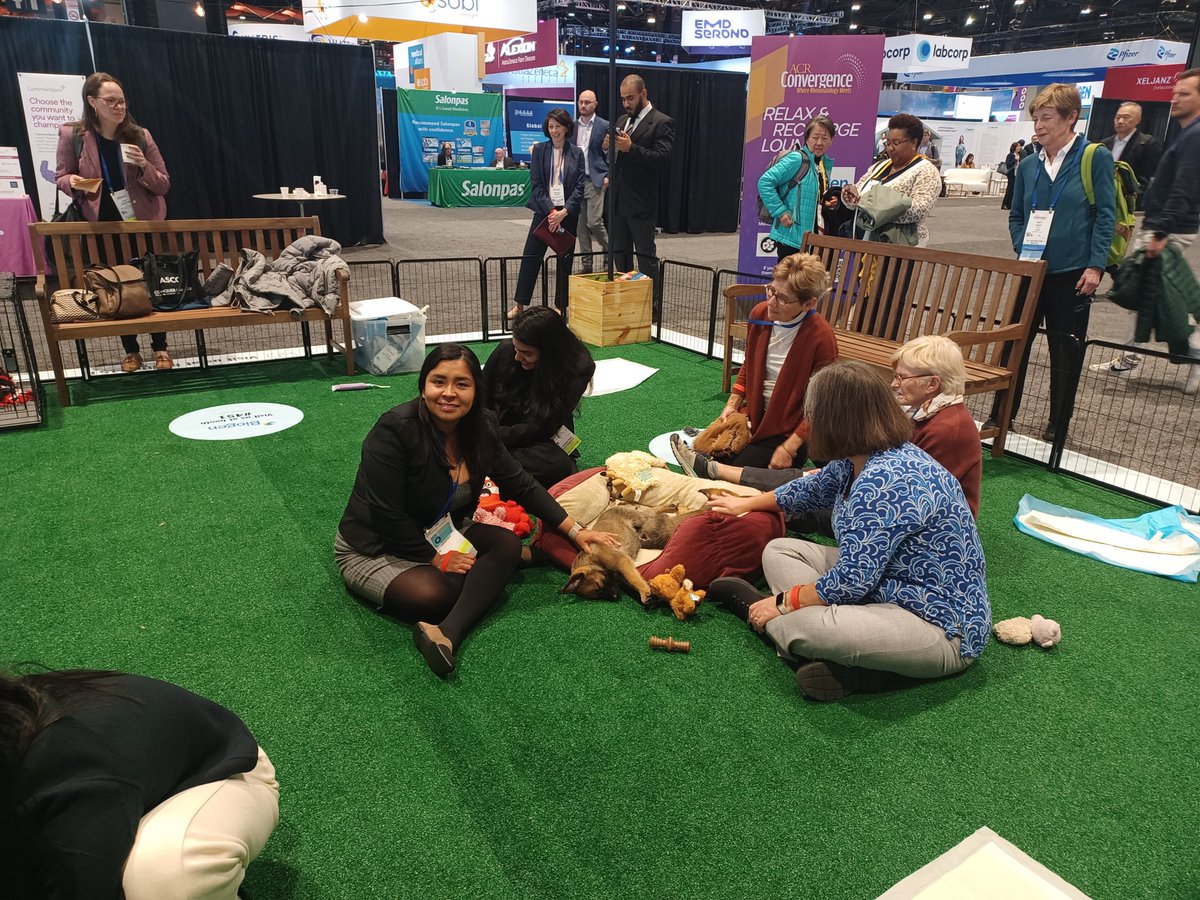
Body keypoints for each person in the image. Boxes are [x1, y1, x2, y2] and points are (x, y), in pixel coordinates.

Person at [705, 360, 990, 702]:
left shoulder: (883, 482)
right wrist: (745, 504)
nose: (808, 424)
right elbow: (808, 490)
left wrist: (782, 603)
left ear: (834, 421)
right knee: (780, 549)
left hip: (939, 627)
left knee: (805, 626)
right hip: (886, 586)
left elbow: (851, 581)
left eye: (812, 415)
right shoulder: (868, 454)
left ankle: (774, 622)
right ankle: (825, 648)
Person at [335, 344, 618, 675]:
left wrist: (576, 531)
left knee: (507, 543)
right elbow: (385, 514)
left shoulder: (481, 427)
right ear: (423, 386)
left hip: (442, 530)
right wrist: (435, 558)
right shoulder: (394, 430)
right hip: (376, 546)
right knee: (437, 595)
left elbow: (520, 483)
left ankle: (446, 632)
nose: (449, 393)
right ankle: (478, 589)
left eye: (462, 384)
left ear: (476, 390)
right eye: (438, 381)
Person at [1, 668, 279, 899]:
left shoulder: (71, 775)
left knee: (166, 872)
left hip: (219, 773)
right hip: (125, 782)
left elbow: (85, 888)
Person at [672, 334, 982, 519]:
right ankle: (721, 477)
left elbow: (917, 499)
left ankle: (725, 482)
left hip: (901, 514)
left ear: (933, 384)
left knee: (813, 494)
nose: (894, 383)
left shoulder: (947, 429)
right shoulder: (923, 412)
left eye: (903, 377)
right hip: (880, 491)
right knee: (815, 477)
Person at [997, 83, 1115, 444]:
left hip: (1073, 274)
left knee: (1066, 350)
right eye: (1036, 118)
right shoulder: (1029, 163)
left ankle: (1057, 424)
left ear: (1070, 118)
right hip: (1031, 271)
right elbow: (1016, 215)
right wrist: (1023, 249)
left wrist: (1096, 265)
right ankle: (1001, 414)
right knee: (1013, 344)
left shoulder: (1094, 157)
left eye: (1046, 117)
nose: (1039, 125)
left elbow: (1105, 215)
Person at [56, 72, 171, 374]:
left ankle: (161, 347)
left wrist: (144, 166)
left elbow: (163, 185)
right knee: (116, 288)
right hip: (102, 227)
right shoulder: (73, 136)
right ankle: (130, 350)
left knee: (149, 283)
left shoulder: (140, 136)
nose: (118, 107)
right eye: (110, 101)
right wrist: (75, 182)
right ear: (92, 102)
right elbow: (61, 177)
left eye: (121, 101)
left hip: (142, 224)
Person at [1094, 70, 1200, 392]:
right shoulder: (1186, 133)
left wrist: (1160, 231)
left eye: (1184, 94)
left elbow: (1184, 188)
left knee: (1164, 299)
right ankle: (1130, 359)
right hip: (1164, 225)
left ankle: (1193, 352)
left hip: (1168, 229)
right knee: (1147, 295)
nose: (1174, 98)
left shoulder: (1195, 136)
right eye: (1175, 92)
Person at [704, 252, 837, 469]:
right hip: (756, 416)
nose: (772, 302)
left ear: (808, 304)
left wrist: (789, 447)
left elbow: (821, 404)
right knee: (714, 459)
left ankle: (800, 455)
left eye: (783, 298)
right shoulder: (759, 314)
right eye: (771, 290)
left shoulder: (821, 336)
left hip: (789, 427)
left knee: (736, 475)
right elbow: (750, 363)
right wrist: (732, 404)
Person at [483, 307, 596, 488]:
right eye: (516, 348)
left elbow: (543, 428)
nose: (518, 357)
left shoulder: (578, 367)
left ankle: (483, 468)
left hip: (537, 436)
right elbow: (481, 396)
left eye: (527, 353)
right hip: (493, 428)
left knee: (558, 464)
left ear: (550, 352)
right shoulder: (506, 350)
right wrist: (481, 431)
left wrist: (491, 439)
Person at [508, 108, 586, 319]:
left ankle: (561, 306)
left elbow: (580, 187)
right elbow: (537, 186)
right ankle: (520, 305)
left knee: (565, 261)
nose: (554, 131)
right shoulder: (539, 151)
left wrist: (564, 212)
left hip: (567, 215)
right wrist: (552, 212)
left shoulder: (577, 153)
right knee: (530, 257)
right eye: (551, 127)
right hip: (544, 212)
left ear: (567, 127)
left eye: (558, 126)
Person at [603, 74, 675, 284]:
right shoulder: (622, 121)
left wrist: (631, 149)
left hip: (641, 203)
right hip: (616, 202)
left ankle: (652, 307)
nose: (626, 104)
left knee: (645, 259)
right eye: (623, 99)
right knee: (619, 256)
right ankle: (626, 301)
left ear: (644, 94)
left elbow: (662, 159)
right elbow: (615, 161)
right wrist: (607, 148)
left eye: (631, 98)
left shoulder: (662, 122)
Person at [841, 114, 942, 247]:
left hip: (900, 246)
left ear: (913, 143)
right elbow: (859, 193)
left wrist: (872, 207)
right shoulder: (879, 166)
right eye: (888, 143)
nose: (890, 148)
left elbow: (919, 209)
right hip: (867, 241)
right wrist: (849, 196)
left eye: (896, 143)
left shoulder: (926, 171)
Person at [758, 114, 837, 259]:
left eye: (824, 138)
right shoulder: (797, 159)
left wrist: (826, 203)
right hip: (792, 237)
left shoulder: (823, 164)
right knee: (788, 281)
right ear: (806, 138)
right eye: (815, 137)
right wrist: (781, 213)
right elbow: (765, 182)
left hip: (812, 238)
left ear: (831, 141)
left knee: (806, 281)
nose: (819, 142)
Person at [574, 89, 609, 273]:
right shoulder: (572, 127)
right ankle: (586, 264)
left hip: (596, 179)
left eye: (587, 102)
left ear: (595, 104)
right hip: (577, 182)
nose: (583, 105)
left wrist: (608, 175)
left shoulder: (605, 125)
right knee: (580, 225)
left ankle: (609, 250)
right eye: (581, 101)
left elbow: (613, 151)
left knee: (594, 222)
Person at [1101, 101, 1163, 205]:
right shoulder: (1104, 143)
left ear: (1138, 119)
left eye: (1126, 117)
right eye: (1117, 117)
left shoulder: (1147, 144)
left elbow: (1147, 180)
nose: (1120, 121)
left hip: (1129, 203)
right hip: (1103, 199)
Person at [1001, 141, 1020, 210]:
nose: (1019, 148)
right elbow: (1008, 164)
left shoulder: (1018, 154)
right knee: (1009, 189)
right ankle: (1005, 204)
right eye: (1018, 146)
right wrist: (1015, 160)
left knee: (1013, 190)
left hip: (1016, 173)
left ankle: (1010, 204)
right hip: (1011, 174)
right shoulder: (1011, 155)